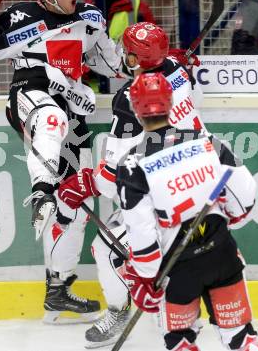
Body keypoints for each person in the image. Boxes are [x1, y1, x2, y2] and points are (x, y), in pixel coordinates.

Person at [0, 0, 122, 323]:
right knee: (51, 118)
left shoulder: (88, 18)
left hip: (71, 110)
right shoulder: (22, 16)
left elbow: (112, 67)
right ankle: (41, 191)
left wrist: (120, 45)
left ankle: (57, 290)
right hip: (29, 97)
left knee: (74, 204)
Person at [57, 22, 205, 348]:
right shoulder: (179, 71)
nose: (124, 56)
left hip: (160, 194)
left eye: (128, 52)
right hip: (197, 184)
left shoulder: (130, 98)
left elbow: (113, 180)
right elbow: (191, 91)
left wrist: (85, 184)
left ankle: (119, 311)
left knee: (107, 250)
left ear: (137, 59)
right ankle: (186, 310)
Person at [115, 71, 258, 351]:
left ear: (136, 110)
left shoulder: (132, 165)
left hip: (178, 270)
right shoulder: (207, 141)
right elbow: (244, 197)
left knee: (181, 342)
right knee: (242, 337)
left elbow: (142, 235)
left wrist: (144, 277)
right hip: (222, 254)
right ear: (170, 103)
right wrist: (229, 217)